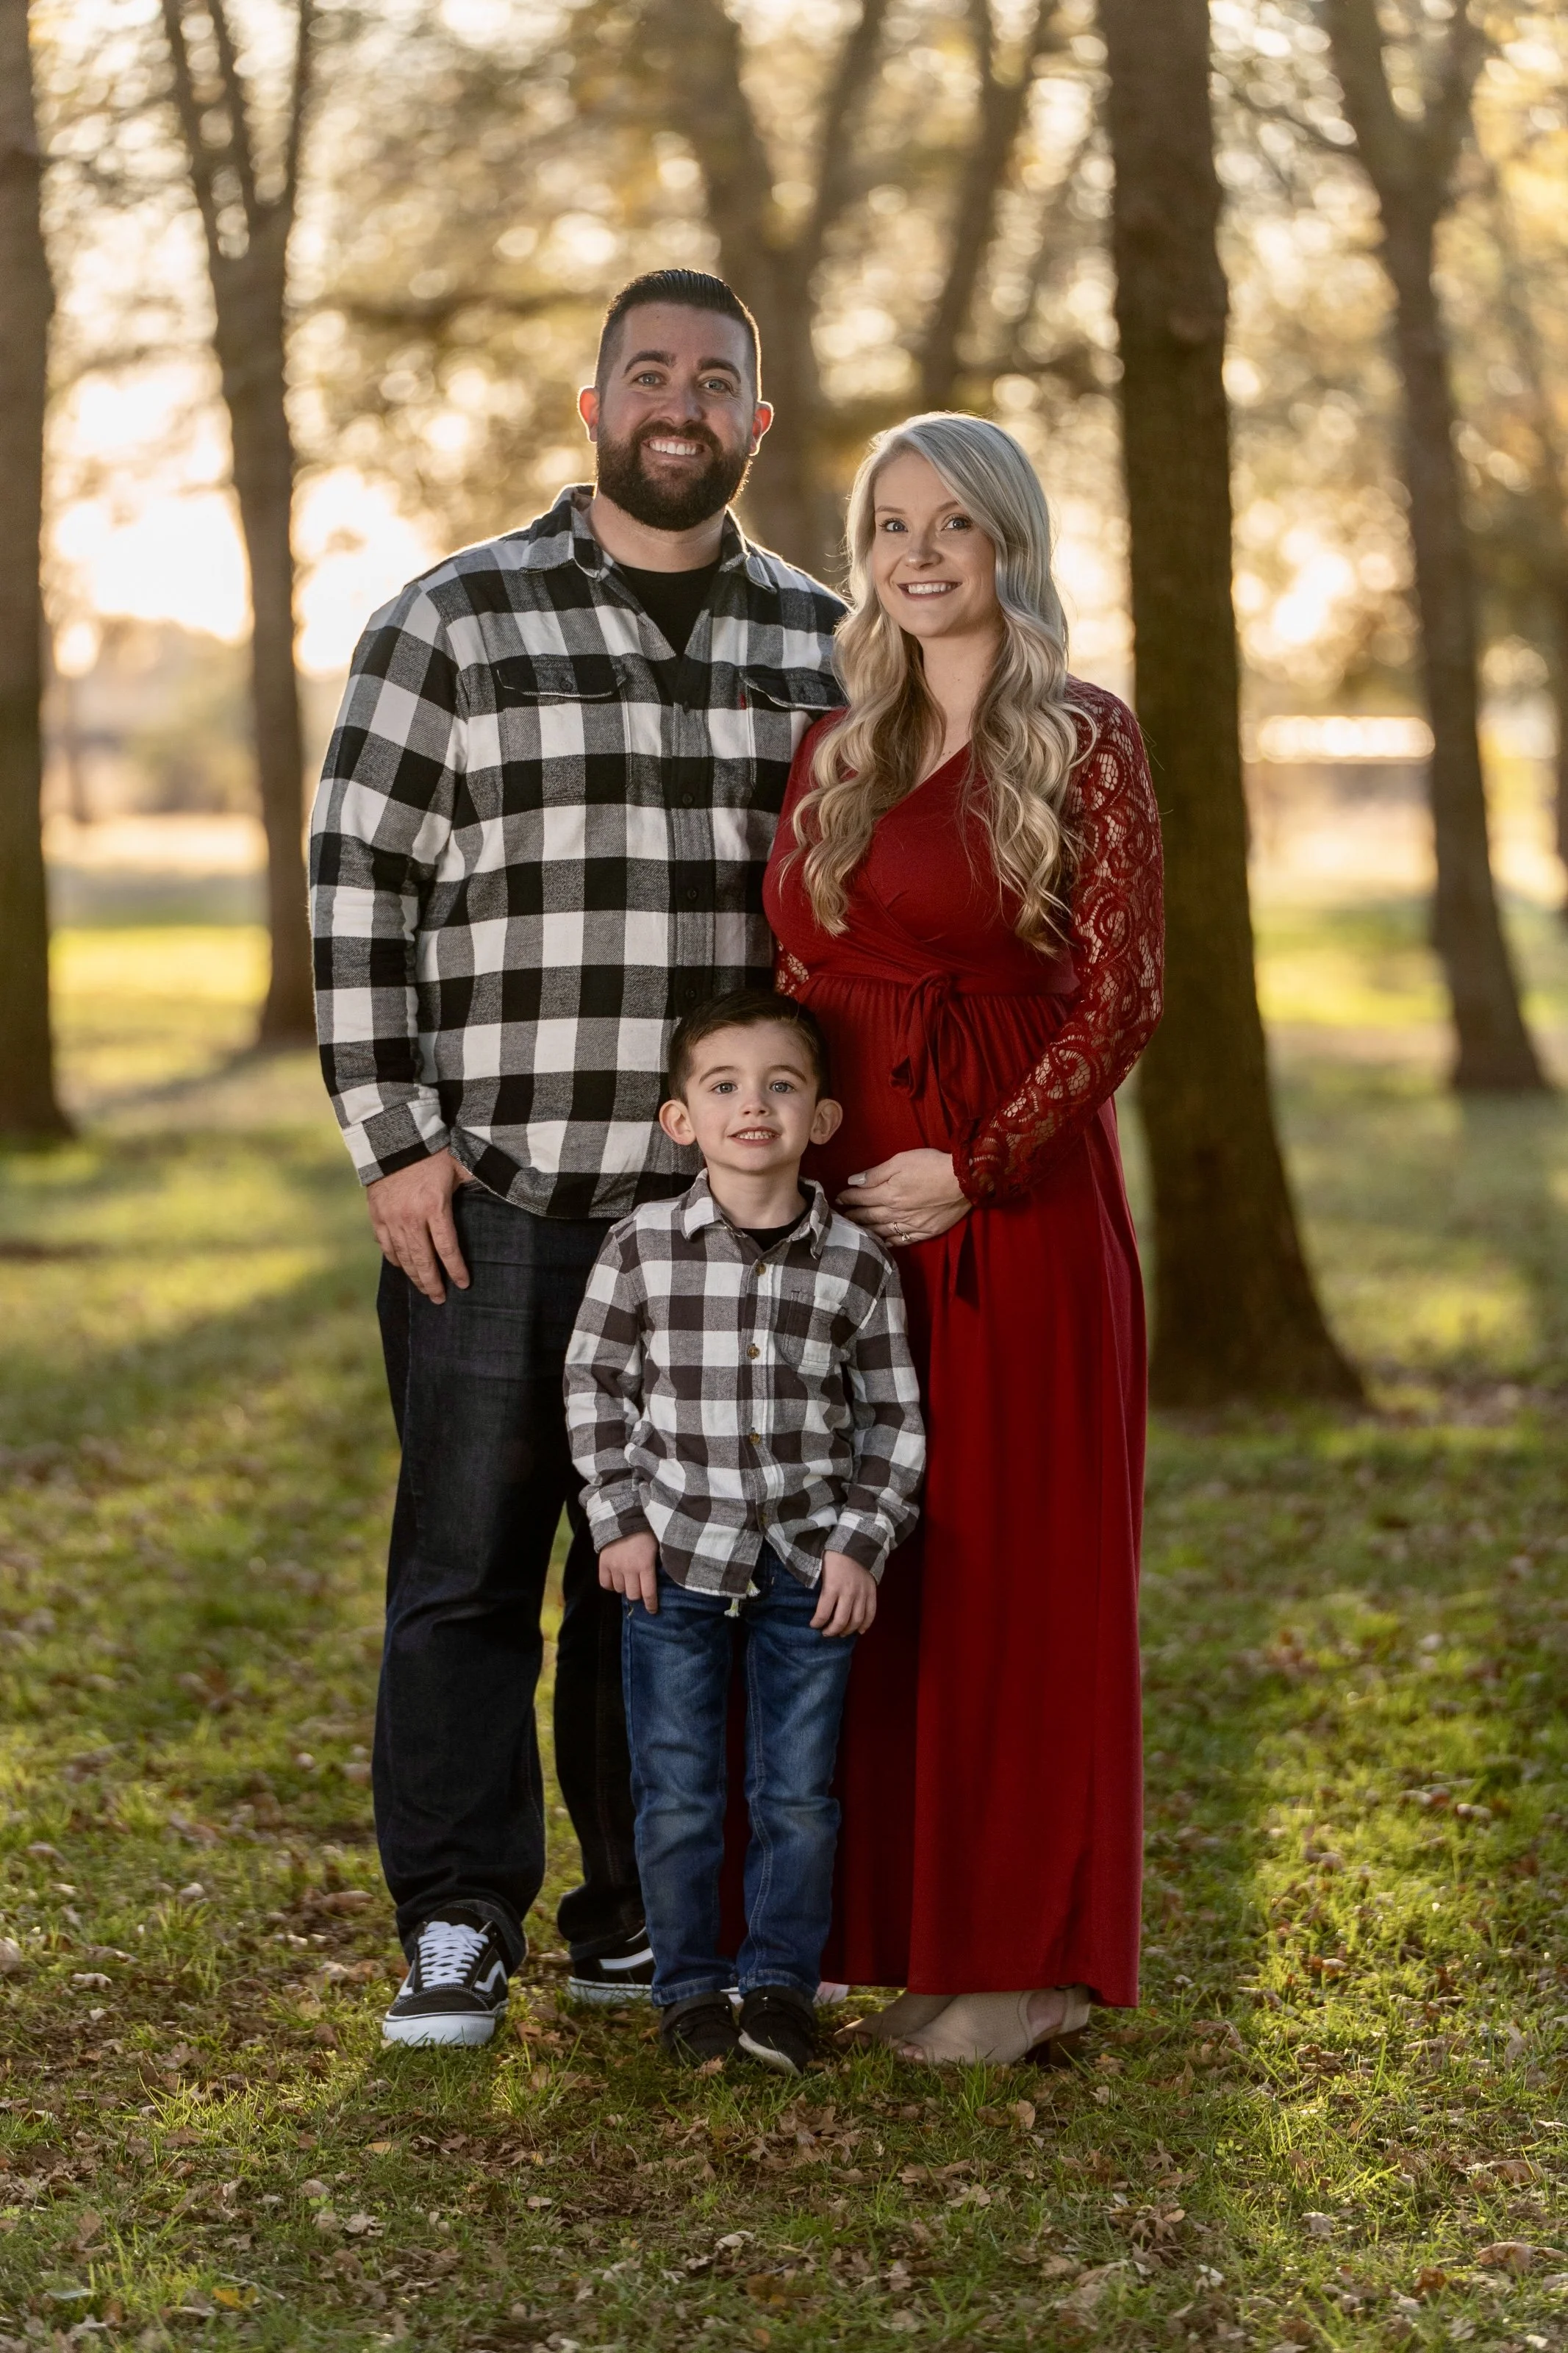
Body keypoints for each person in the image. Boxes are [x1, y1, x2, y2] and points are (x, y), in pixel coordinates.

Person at [309, 269, 846, 2048]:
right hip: (496, 1199)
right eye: (649, 374)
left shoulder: (822, 643)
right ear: (594, 405)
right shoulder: (450, 620)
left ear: (755, 420)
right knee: (466, 1573)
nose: (680, 404)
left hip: (716, 1227)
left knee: (665, 1582)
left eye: (715, 379)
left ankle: (635, 1912)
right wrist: (395, 1143)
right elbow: (357, 891)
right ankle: (458, 1919)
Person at [764, 411, 1163, 2065]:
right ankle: (914, 1937)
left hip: (1013, 1210)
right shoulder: (839, 743)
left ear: (1010, 542)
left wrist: (977, 1167)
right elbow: (796, 971)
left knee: (1013, 1572)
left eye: (954, 525)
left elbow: (1121, 994)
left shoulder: (1080, 735)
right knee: (882, 1571)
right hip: (852, 1225)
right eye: (890, 527)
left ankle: (1024, 1965)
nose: (919, 555)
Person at [563, 990, 924, 2074]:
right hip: (673, 1563)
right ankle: (686, 1992)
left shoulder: (857, 1263)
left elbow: (894, 1418)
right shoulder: (640, 1249)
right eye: (723, 1087)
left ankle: (778, 1989)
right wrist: (618, 1523)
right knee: (678, 1792)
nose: (753, 1105)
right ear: (682, 1121)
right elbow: (593, 1386)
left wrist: (862, 1542)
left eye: (782, 1085)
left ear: (823, 1117)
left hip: (810, 1569)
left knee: (797, 1797)